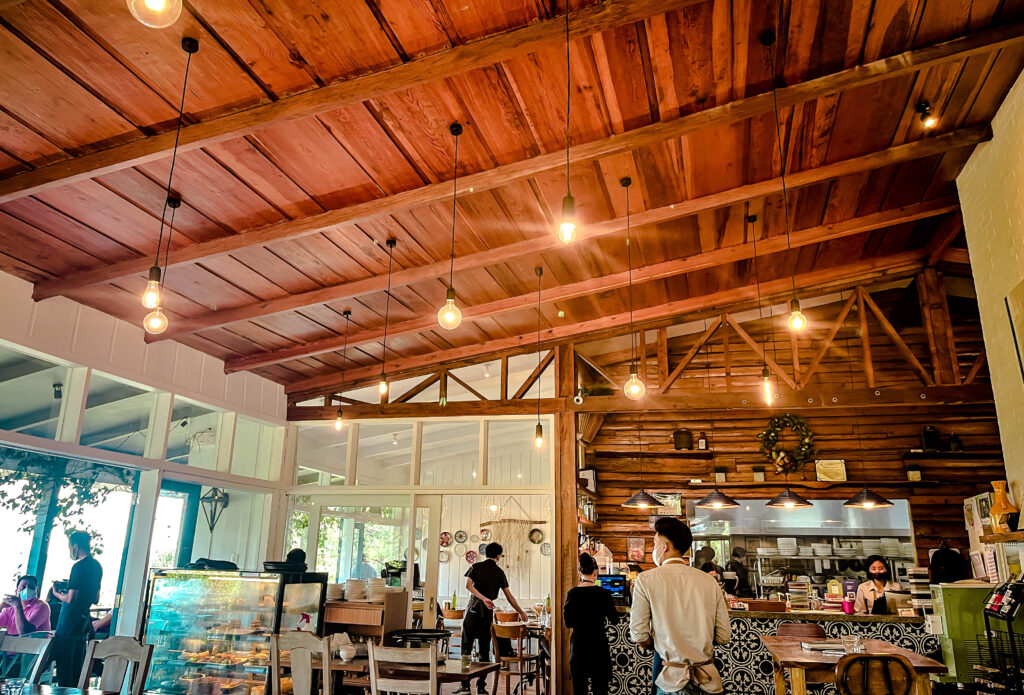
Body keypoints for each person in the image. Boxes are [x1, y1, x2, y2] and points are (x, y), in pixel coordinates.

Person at [631, 518, 730, 695]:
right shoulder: (709, 581)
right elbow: (723, 636)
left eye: (654, 543)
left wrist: (662, 645)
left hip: (671, 680)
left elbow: (639, 634)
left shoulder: (645, 580)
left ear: (664, 547)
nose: (653, 549)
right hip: (708, 679)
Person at [458, 542, 527, 695]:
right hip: (487, 614)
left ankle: (465, 685)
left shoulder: (475, 567)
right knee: (484, 652)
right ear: (498, 556)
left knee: (466, 650)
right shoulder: (499, 572)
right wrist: (521, 612)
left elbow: (468, 586)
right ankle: (481, 687)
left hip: (472, 612)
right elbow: (509, 597)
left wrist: (482, 598)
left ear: (486, 553)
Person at [51, 530, 103, 686]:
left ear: (75, 547)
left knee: (64, 663)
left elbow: (71, 598)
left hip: (69, 621)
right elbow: (95, 599)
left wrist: (57, 594)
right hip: (83, 620)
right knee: (77, 663)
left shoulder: (78, 567)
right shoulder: (97, 566)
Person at [564, 553, 620, 695]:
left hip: (579, 649)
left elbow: (568, 623)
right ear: (596, 573)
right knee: (600, 691)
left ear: (579, 572)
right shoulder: (604, 594)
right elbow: (615, 620)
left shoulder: (572, 594)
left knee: (579, 691)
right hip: (598, 648)